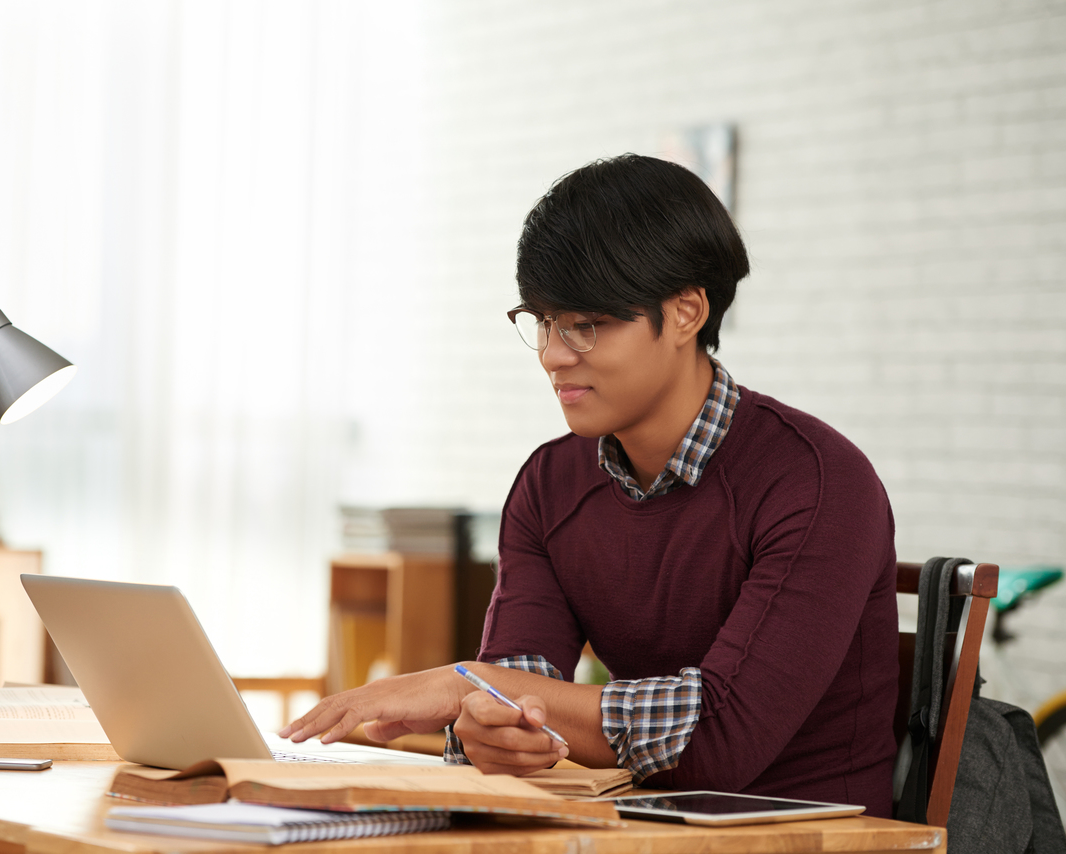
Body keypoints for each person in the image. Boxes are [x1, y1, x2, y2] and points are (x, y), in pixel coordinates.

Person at [280, 154, 900, 817]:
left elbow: (722, 737)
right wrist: (496, 731)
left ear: (687, 312)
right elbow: (519, 697)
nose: (551, 353)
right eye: (543, 322)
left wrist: (481, 687)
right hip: (635, 827)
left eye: (585, 325)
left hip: (807, 839)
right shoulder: (550, 486)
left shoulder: (817, 483)